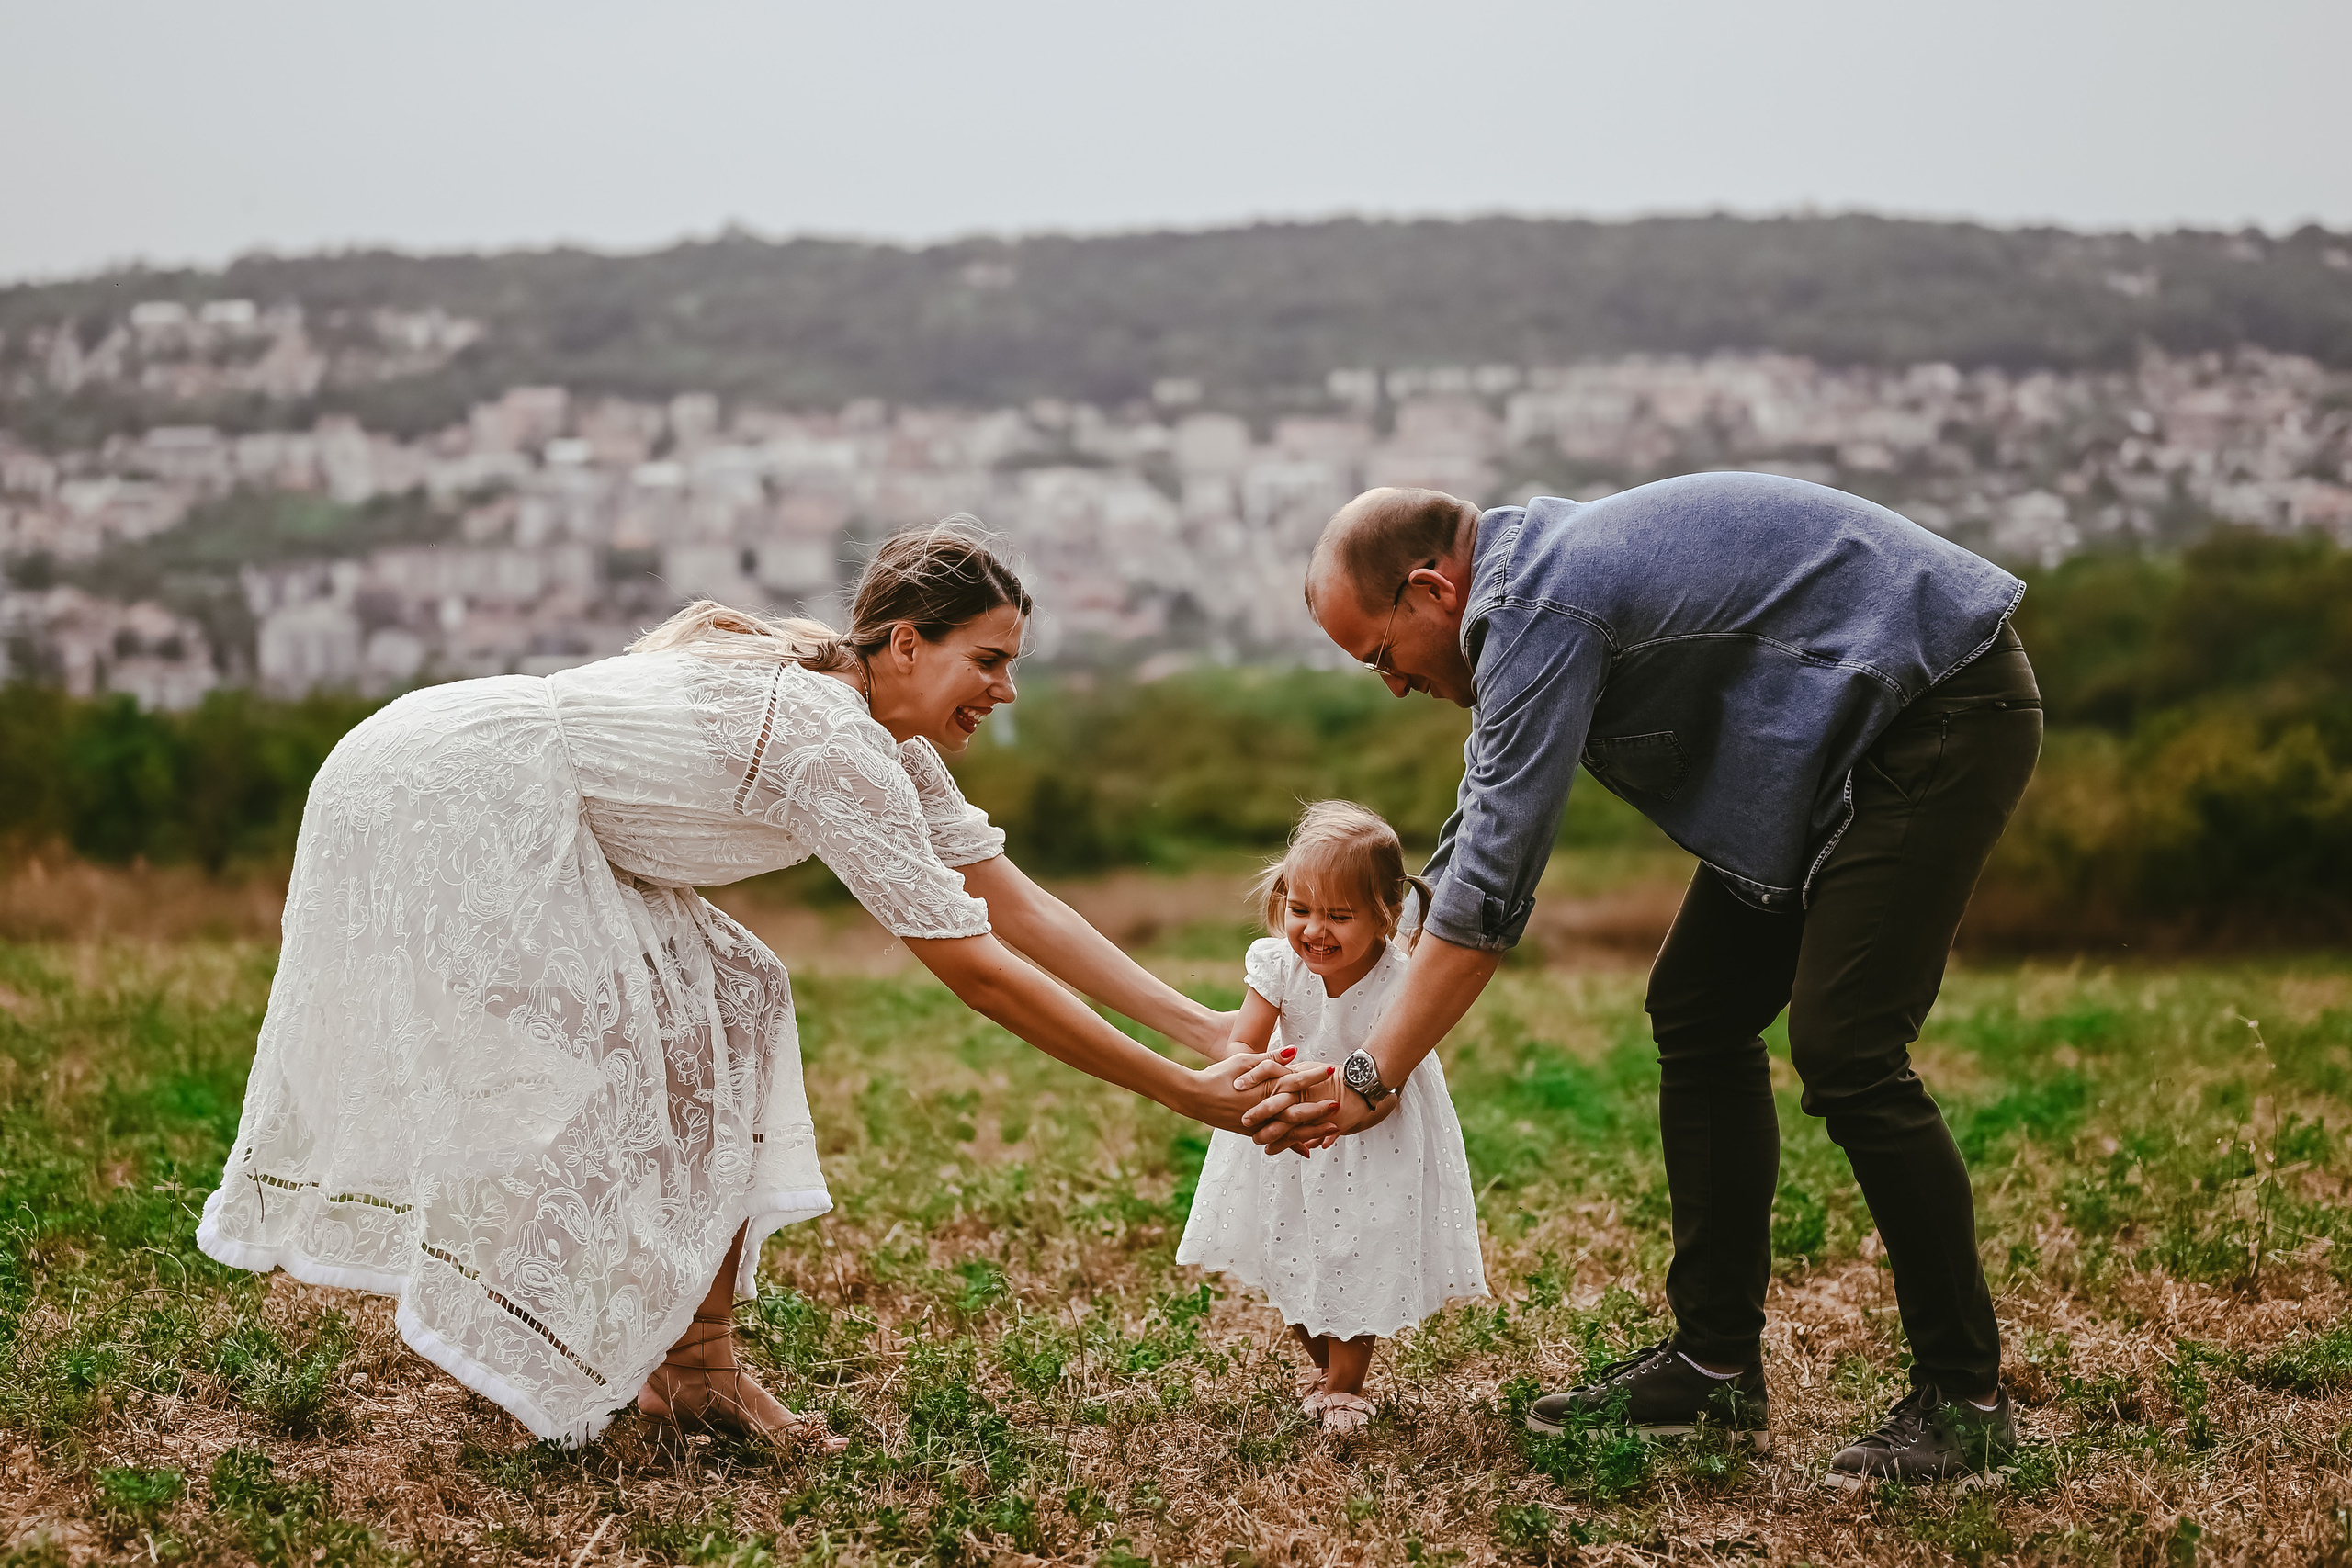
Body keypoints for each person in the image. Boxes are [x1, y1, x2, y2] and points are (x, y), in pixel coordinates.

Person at [198, 519, 1266, 1449]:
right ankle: (564, 1325)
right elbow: (977, 971)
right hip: (452, 792)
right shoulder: (831, 743)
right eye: (986, 661)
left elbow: (1013, 905)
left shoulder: (884, 740)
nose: (1006, 689)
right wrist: (1183, 1094)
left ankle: (694, 1367)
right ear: (904, 643)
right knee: (635, 1050)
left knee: (736, 998)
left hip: (491, 783)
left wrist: (1206, 1030)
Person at [1242, 475, 2043, 1486]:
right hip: (1836, 740)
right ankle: (1714, 1368)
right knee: (1700, 1009)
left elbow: (1493, 883)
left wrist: (1370, 1076)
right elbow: (1478, 822)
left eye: (1379, 654)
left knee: (1847, 1048)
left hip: (1937, 706)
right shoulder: (1529, 595)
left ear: (1432, 589)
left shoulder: (1539, 605)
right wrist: (1364, 968)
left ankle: (1966, 1400)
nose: (1392, 684)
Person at [1176, 802, 1488, 1432]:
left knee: (1354, 1253)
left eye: (1339, 916)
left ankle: (1346, 1386)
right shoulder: (1278, 966)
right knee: (1286, 1250)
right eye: (1301, 910)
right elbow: (1242, 1044)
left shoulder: (1403, 982)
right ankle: (1324, 1366)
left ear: (1386, 914)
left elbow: (1388, 1089)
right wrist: (1261, 1083)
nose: (1315, 931)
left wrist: (1341, 1105)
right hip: (1289, 1131)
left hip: (1371, 1139)